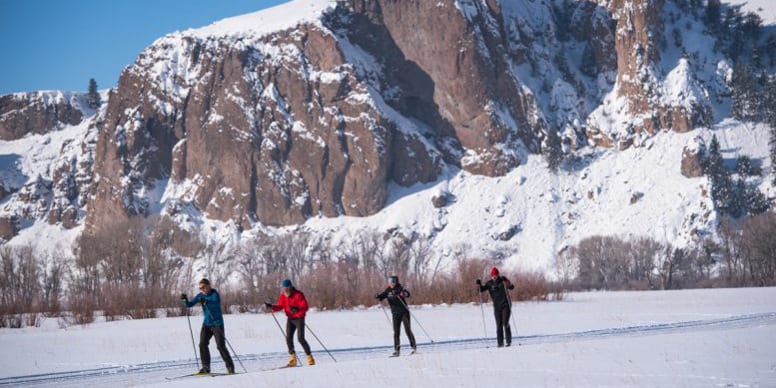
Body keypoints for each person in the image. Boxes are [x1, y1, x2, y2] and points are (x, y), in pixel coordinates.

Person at [181, 278, 236, 374]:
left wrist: (206, 302)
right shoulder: (200, 296)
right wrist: (185, 299)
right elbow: (189, 305)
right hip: (207, 323)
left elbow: (215, 303)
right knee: (202, 344)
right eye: (200, 288)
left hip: (217, 323)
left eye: (203, 287)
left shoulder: (215, 294)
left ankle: (230, 367)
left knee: (220, 346)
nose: (202, 290)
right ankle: (206, 367)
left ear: (208, 286)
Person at [265, 279, 315, 367]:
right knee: (288, 338)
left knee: (301, 339)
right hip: (290, 319)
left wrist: (297, 309)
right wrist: (271, 306)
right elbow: (280, 306)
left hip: (299, 318)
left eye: (287, 288)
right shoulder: (283, 296)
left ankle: (310, 358)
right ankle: (293, 360)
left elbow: (305, 307)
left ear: (291, 287)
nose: (285, 290)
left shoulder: (298, 294)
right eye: (284, 288)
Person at [375, 275, 417, 356]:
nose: (391, 282)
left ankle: (413, 347)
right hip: (395, 314)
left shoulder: (400, 288)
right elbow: (382, 296)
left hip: (404, 312)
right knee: (396, 332)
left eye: (393, 281)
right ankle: (397, 350)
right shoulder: (388, 290)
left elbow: (407, 294)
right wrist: (378, 296)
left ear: (396, 281)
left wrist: (401, 294)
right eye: (390, 281)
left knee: (407, 330)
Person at [477, 267, 515, 347]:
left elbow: (511, 287)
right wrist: (479, 284)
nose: (494, 277)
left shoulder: (502, 280)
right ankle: (500, 343)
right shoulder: (489, 283)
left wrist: (507, 282)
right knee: (498, 325)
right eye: (493, 275)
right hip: (497, 307)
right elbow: (481, 290)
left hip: (506, 305)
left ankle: (508, 341)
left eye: (496, 275)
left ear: (498, 275)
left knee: (505, 322)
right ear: (491, 276)